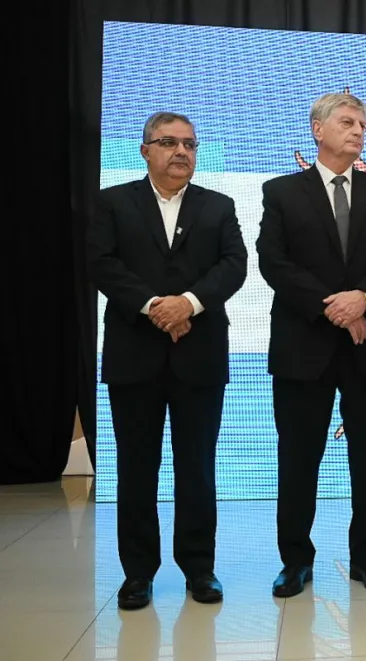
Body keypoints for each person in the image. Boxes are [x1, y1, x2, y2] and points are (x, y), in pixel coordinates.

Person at [87, 111, 248, 609]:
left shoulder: (218, 206)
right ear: (145, 151)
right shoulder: (112, 202)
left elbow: (234, 265)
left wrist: (189, 304)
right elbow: (101, 263)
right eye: (169, 142)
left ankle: (200, 569)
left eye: (190, 144)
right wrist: (157, 307)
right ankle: (138, 573)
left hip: (199, 356)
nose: (182, 152)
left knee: (197, 467)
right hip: (134, 354)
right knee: (136, 468)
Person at [257, 93, 366, 596]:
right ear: (317, 129)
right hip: (305, 346)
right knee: (299, 457)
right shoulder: (282, 192)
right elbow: (273, 262)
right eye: (347, 122)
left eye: (363, 124)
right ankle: (296, 560)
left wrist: (363, 297)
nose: (358, 131)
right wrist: (335, 308)